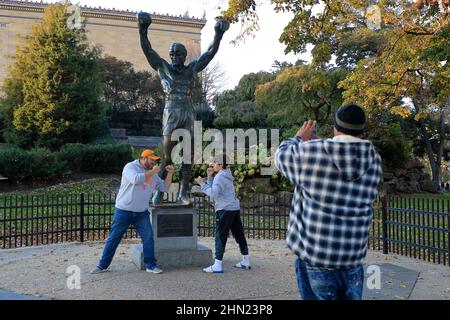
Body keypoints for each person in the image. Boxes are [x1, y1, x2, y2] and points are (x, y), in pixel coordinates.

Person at [275, 104, 382, 300]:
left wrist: (300, 139)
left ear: (334, 127)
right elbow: (345, 152)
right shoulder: (373, 159)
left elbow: (281, 157)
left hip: (316, 257)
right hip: (352, 258)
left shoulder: (312, 152)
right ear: (361, 130)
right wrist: (317, 144)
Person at [137, 12, 230, 205]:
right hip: (171, 113)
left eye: (177, 54)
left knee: (187, 155)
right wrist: (143, 29)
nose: (174, 57)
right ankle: (160, 192)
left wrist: (218, 34)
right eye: (171, 54)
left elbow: (210, 53)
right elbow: (148, 51)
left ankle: (184, 192)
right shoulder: (163, 67)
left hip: (188, 112)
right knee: (166, 156)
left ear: (184, 55)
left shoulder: (191, 69)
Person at [90, 149, 175, 274]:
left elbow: (165, 187)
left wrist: (170, 173)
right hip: (123, 211)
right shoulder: (130, 167)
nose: (153, 163)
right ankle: (102, 266)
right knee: (114, 239)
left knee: (148, 238)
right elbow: (136, 179)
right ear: (144, 158)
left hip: (142, 212)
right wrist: (153, 172)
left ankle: (150, 265)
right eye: (151, 160)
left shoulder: (153, 174)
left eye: (154, 161)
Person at [195, 154, 250, 273]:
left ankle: (217, 265)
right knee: (239, 234)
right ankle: (245, 261)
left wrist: (201, 184)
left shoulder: (220, 177)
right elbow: (217, 189)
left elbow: (213, 193)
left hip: (224, 209)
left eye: (214, 163)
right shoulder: (226, 174)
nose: (212, 164)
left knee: (220, 236)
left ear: (220, 165)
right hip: (233, 208)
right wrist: (209, 177)